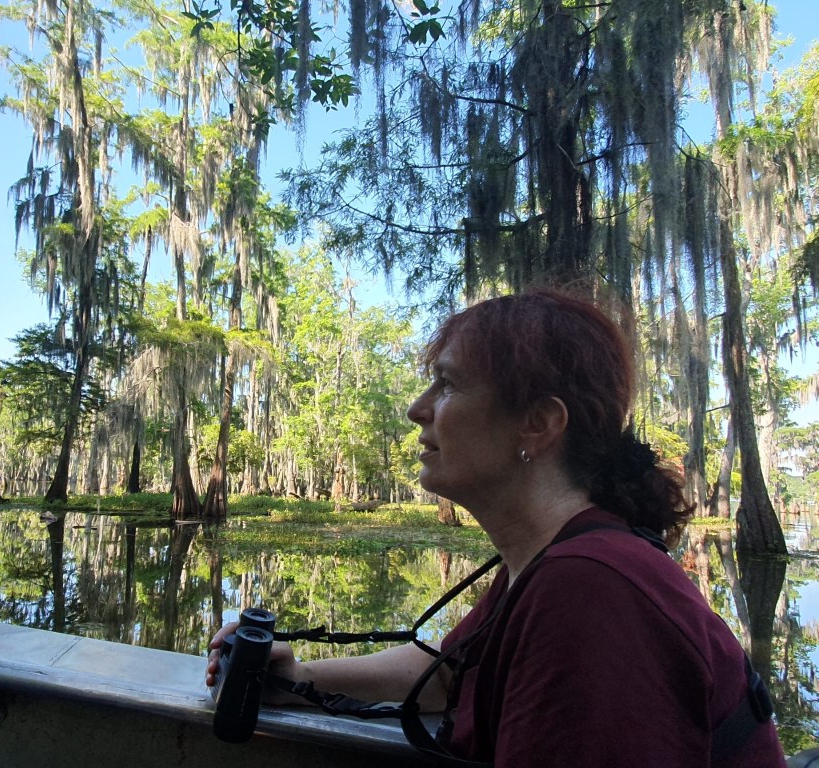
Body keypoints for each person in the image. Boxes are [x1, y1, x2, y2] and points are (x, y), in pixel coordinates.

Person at [206, 289, 785, 767]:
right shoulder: (551, 560)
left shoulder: (592, 589)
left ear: (537, 423)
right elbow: (447, 677)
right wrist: (298, 678)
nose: (417, 408)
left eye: (448, 384)